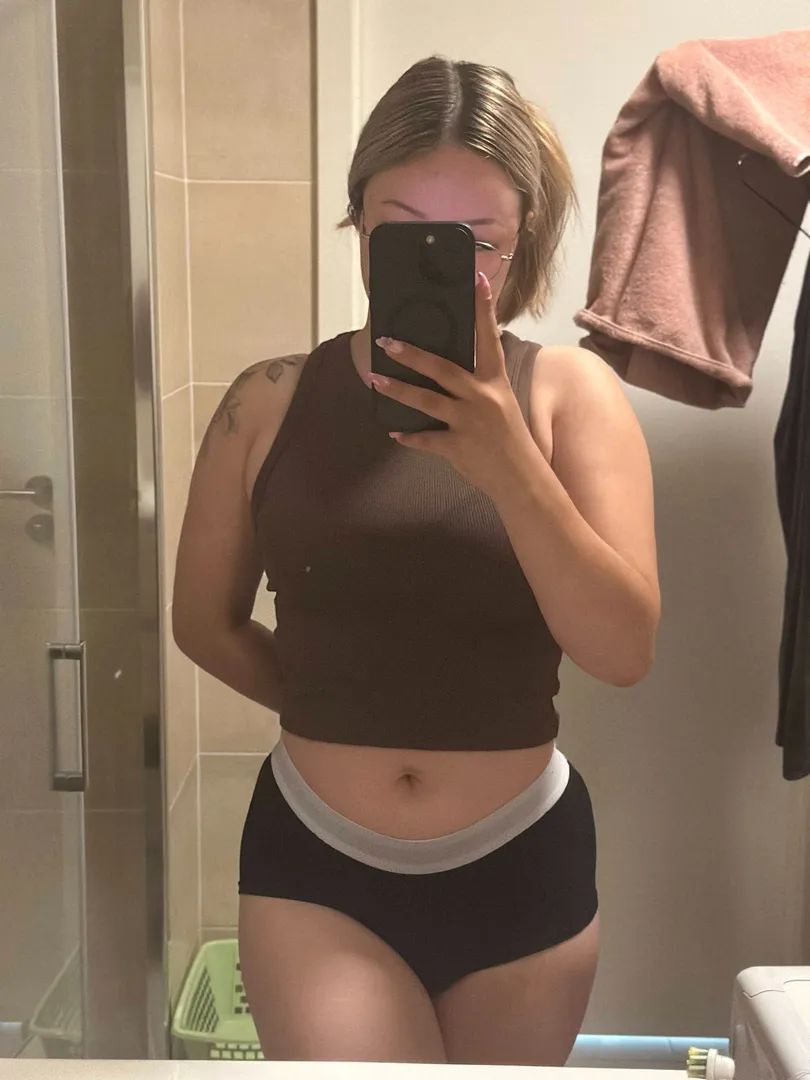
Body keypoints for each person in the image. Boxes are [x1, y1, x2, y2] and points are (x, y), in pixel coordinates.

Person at [173, 56, 660, 1067]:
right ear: (358, 218)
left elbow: (622, 650)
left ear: (523, 237)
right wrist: (342, 703)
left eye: (479, 240)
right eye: (406, 231)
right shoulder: (267, 401)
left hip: (519, 859)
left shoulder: (573, 397)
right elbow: (202, 622)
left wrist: (510, 462)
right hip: (317, 863)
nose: (451, 265)